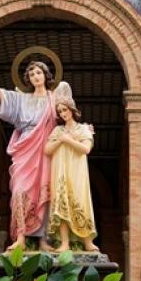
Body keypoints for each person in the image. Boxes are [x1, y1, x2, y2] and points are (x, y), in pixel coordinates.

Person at [0, 56, 72, 251]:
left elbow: (68, 115)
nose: (36, 76)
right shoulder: (21, 99)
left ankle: (43, 240)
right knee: (20, 190)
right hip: (25, 150)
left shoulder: (55, 99)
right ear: (28, 78)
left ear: (46, 75)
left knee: (45, 192)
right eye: (32, 74)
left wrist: (81, 131)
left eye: (39, 73)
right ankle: (20, 237)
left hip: (46, 150)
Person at [45, 95, 100, 252]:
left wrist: (67, 140)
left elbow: (86, 149)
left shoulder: (83, 129)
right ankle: (64, 243)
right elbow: (47, 150)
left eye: (65, 109)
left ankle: (87, 241)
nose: (63, 113)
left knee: (80, 201)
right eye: (60, 111)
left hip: (77, 172)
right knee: (62, 203)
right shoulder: (58, 130)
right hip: (60, 171)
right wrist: (60, 140)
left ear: (72, 109)